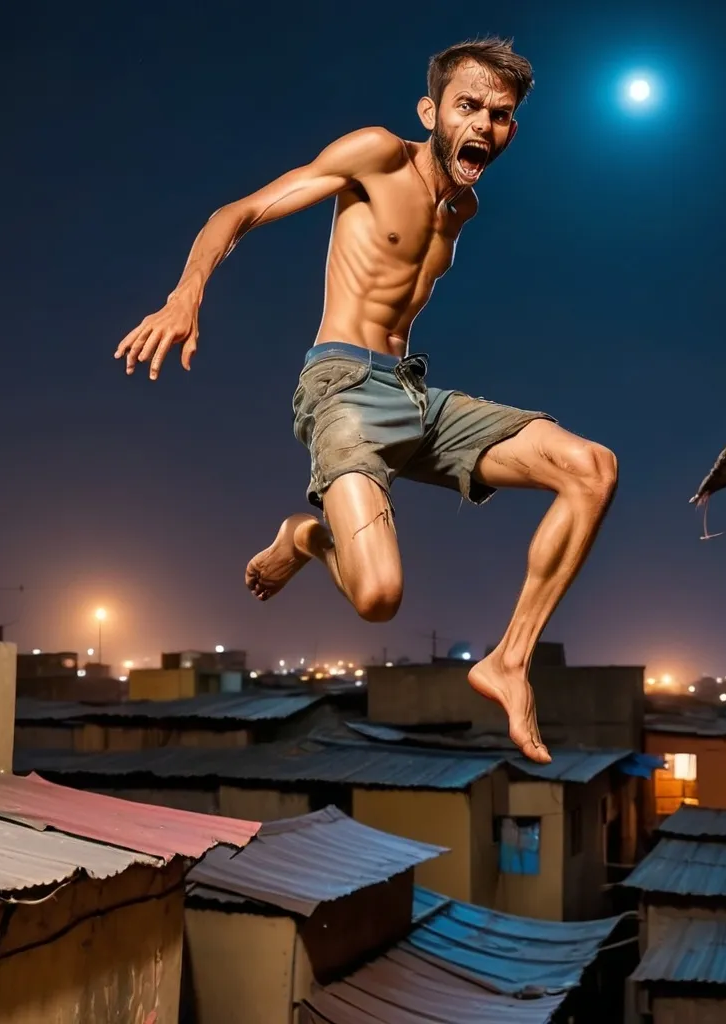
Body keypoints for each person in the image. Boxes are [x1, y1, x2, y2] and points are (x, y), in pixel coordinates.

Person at [115, 37, 618, 764]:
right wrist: (186, 293)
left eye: (500, 115)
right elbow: (242, 210)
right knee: (379, 598)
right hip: (343, 389)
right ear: (431, 110)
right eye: (468, 106)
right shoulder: (377, 155)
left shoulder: (463, 208)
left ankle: (509, 661)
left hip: (414, 393)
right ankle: (308, 538)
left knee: (590, 467)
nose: (483, 124)